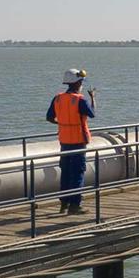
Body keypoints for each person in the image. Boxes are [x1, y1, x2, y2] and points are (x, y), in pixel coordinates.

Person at [46, 68, 96, 214]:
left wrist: (62, 124)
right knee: (78, 173)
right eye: (81, 82)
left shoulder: (58, 98)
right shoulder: (79, 100)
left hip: (64, 141)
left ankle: (64, 204)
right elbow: (92, 114)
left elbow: (49, 117)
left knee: (66, 172)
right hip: (79, 142)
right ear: (77, 83)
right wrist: (93, 97)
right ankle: (75, 205)